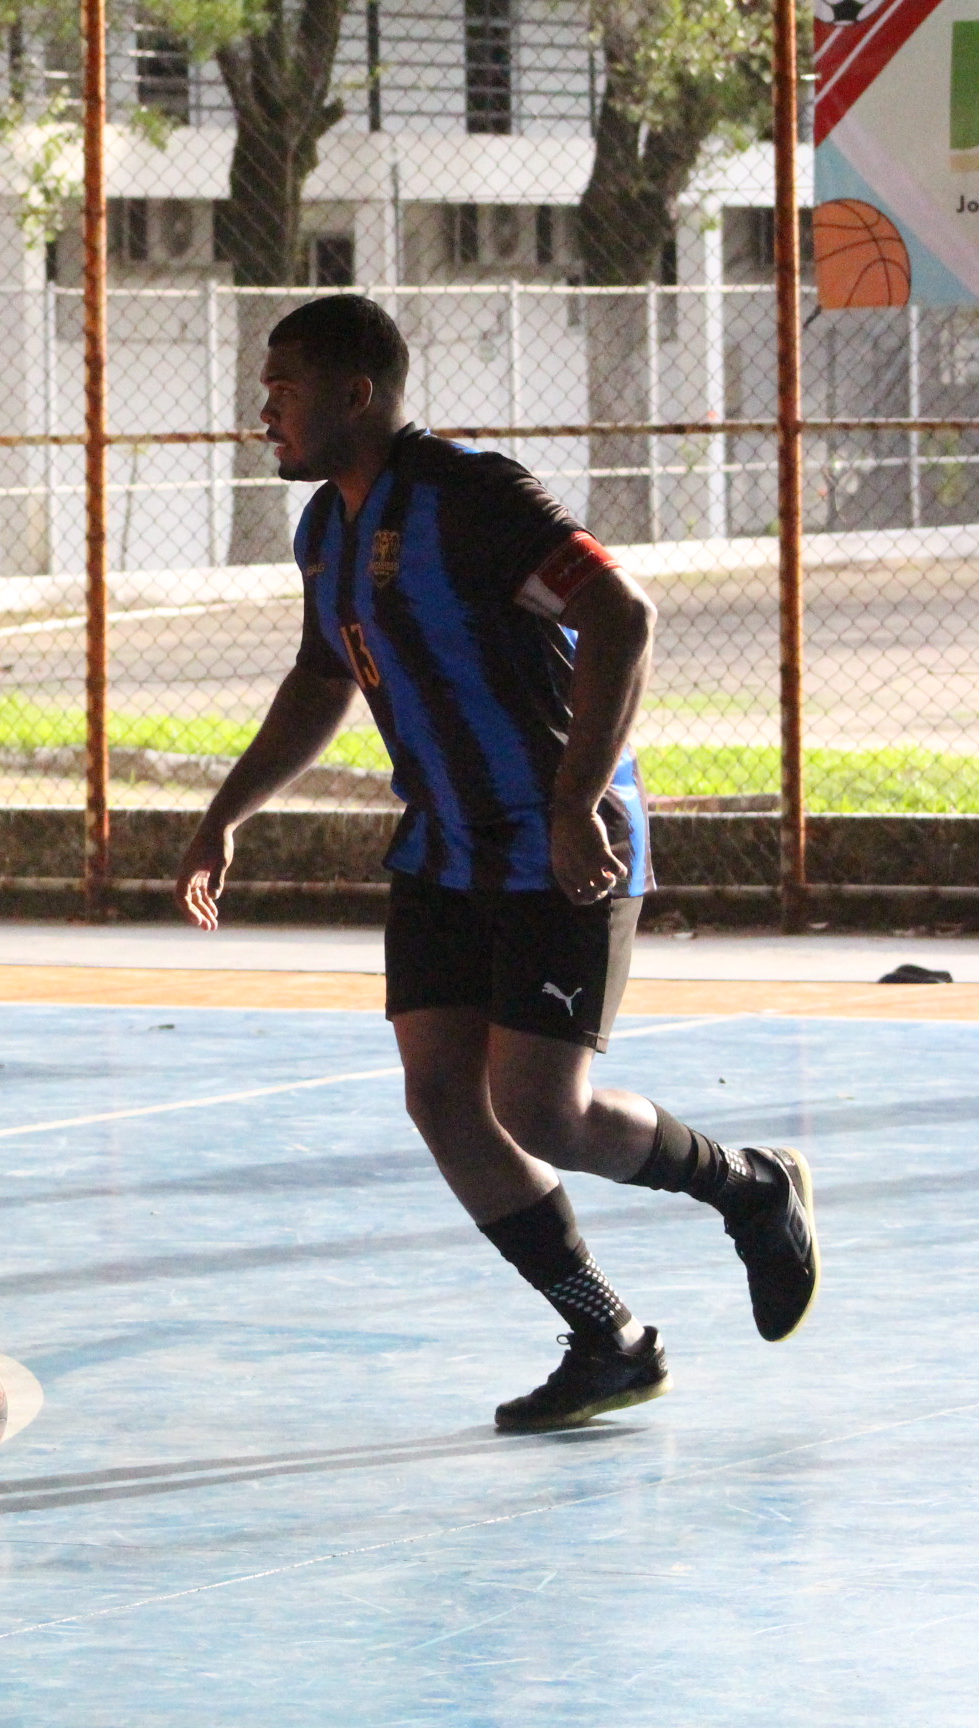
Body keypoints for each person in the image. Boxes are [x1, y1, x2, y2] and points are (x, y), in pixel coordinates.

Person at [175, 295, 818, 1432]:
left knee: (540, 1110)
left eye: (283, 387)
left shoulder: (472, 498)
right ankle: (607, 1338)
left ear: (355, 393)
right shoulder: (325, 528)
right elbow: (324, 676)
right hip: (445, 844)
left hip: (558, 837)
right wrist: (228, 811)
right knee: (442, 1099)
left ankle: (751, 1187)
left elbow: (621, 614)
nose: (262, 410)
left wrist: (573, 799)